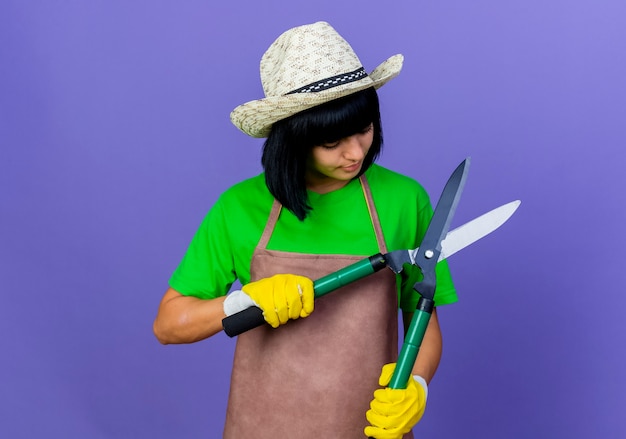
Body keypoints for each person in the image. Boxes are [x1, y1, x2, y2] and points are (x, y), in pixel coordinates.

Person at [153, 21, 457, 439]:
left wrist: (417, 385)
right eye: (332, 143)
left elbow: (423, 318)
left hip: (373, 428)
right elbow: (169, 324)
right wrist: (242, 302)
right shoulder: (239, 207)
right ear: (292, 139)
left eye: (364, 129)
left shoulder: (404, 200)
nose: (355, 153)